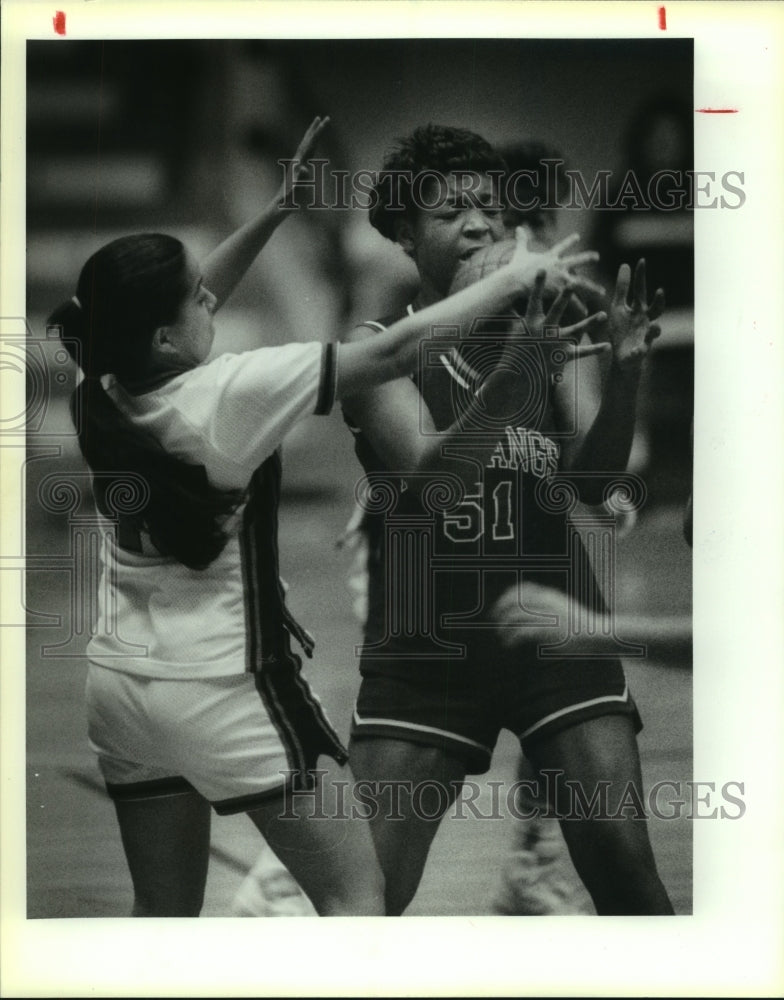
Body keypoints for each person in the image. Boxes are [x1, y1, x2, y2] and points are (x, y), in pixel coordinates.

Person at [47, 116, 584, 918]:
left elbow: (175, 308)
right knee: (359, 901)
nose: (212, 299)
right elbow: (398, 351)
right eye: (197, 298)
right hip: (225, 686)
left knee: (159, 916)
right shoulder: (233, 392)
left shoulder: (105, 387)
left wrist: (274, 212)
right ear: (166, 331)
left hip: (120, 692)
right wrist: (510, 283)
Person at [340, 123, 674, 916]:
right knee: (364, 901)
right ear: (403, 233)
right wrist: (526, 359)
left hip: (557, 629)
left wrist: (624, 375)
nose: (481, 224)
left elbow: (595, 483)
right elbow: (433, 481)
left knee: (629, 876)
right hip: (427, 644)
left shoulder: (551, 328)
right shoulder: (376, 348)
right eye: (451, 210)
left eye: (490, 207)